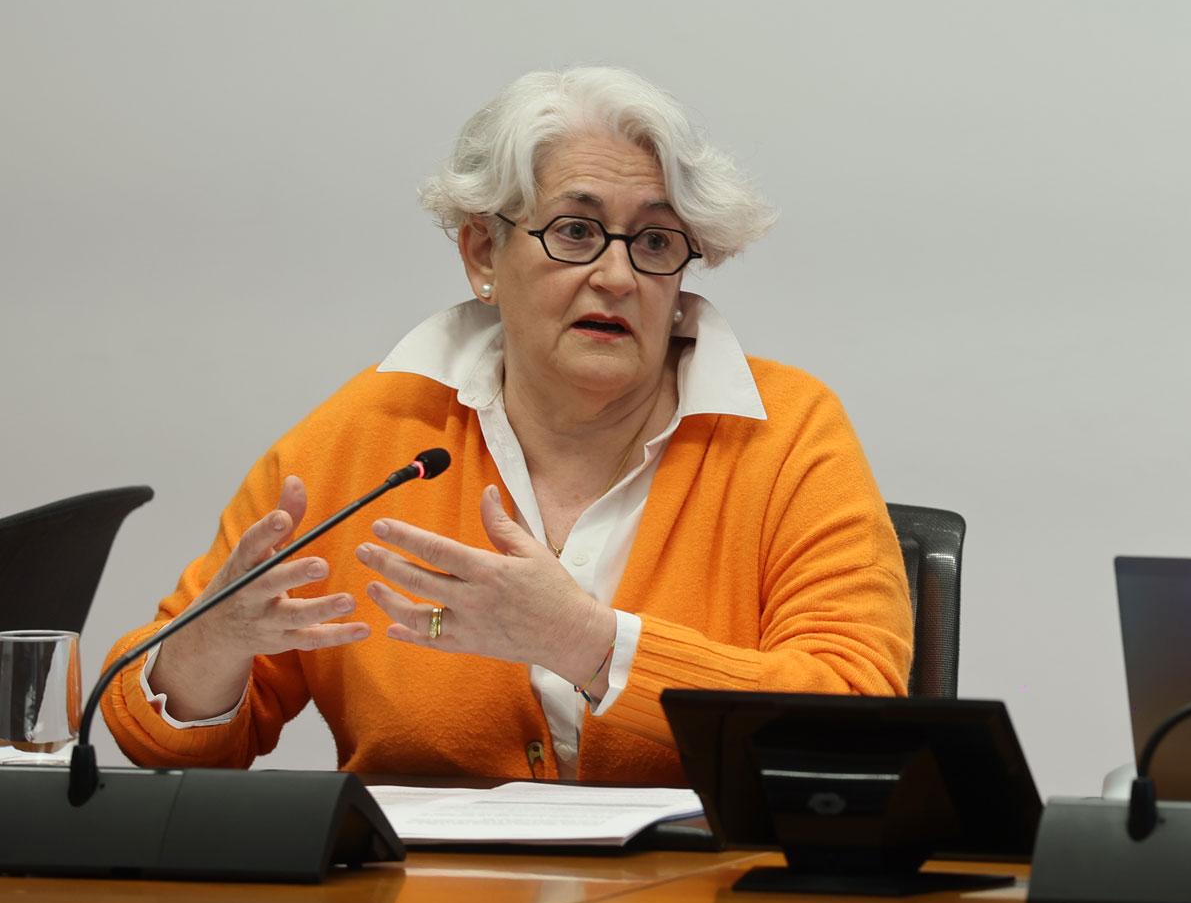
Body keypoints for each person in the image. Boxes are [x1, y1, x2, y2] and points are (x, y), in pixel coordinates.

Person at [103, 66, 913, 783]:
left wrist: (591, 645)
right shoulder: (370, 438)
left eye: (657, 241)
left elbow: (856, 719)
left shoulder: (785, 436)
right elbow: (161, 743)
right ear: (482, 254)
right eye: (575, 231)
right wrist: (210, 649)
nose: (617, 274)